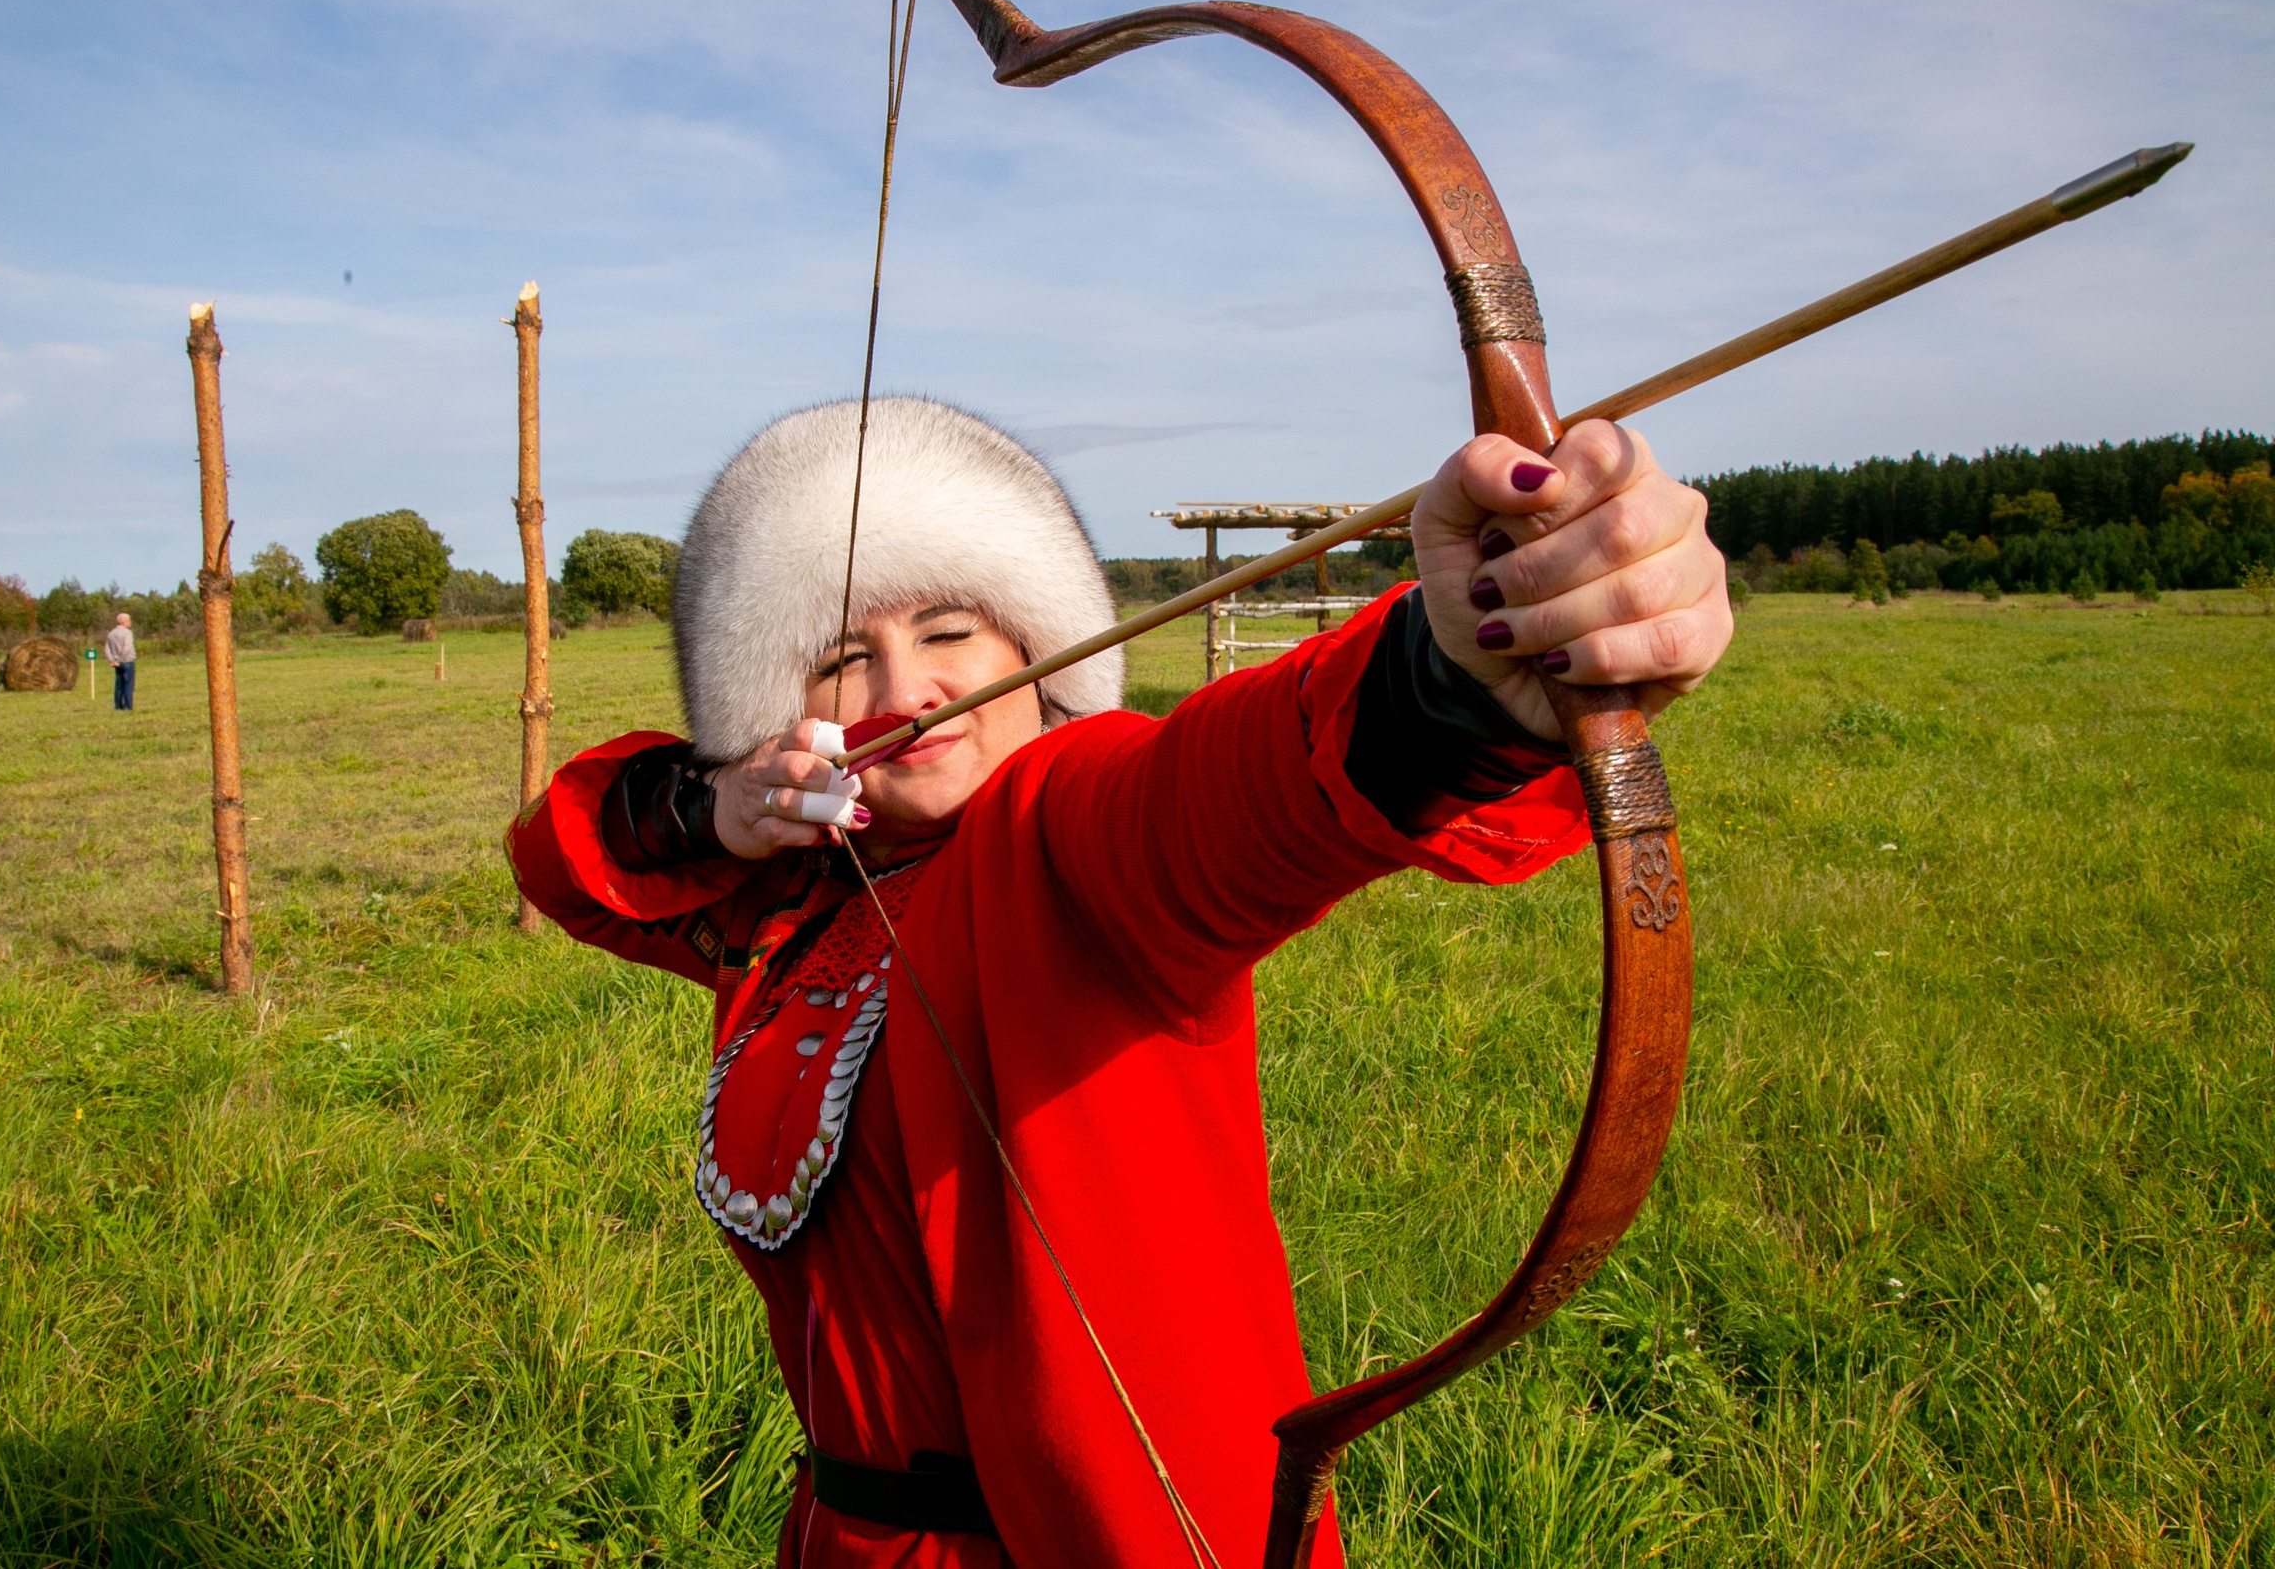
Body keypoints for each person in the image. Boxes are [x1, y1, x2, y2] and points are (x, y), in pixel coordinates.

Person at [506, 398, 1732, 1566]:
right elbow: (563, 857)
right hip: (847, 1540)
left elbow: (1233, 791)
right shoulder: (783, 902)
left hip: (1115, 1538)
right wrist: (713, 807)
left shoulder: (1064, 830)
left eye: (946, 636)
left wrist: (1455, 676)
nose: (905, 697)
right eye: (843, 659)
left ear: (1035, 658)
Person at [104, 613, 137, 711]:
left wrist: (112, 660)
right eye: (129, 621)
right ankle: (128, 706)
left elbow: (107, 649)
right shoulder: (127, 633)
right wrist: (119, 660)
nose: (130, 623)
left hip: (116, 663)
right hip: (126, 661)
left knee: (119, 685)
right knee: (128, 685)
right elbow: (127, 648)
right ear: (124, 622)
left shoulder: (111, 633)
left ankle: (118, 706)